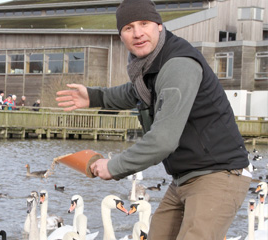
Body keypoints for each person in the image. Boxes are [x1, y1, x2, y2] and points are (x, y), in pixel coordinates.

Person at [56, 0, 251, 239]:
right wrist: (95, 96)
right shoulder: (149, 66)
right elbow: (135, 92)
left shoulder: (178, 65)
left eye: (144, 23)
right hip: (184, 177)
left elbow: (163, 141)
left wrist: (114, 166)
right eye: (128, 28)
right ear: (121, 36)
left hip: (219, 173)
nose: (137, 33)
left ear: (159, 25)